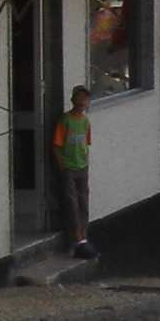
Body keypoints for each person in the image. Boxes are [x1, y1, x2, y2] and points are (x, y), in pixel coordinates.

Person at [53, 86, 95, 258]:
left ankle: (84, 235)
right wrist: (62, 165)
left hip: (82, 166)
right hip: (69, 167)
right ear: (73, 100)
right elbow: (56, 145)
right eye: (80, 98)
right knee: (72, 202)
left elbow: (86, 143)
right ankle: (77, 237)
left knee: (83, 201)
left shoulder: (85, 121)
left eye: (86, 99)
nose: (83, 102)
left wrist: (85, 162)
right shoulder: (66, 120)